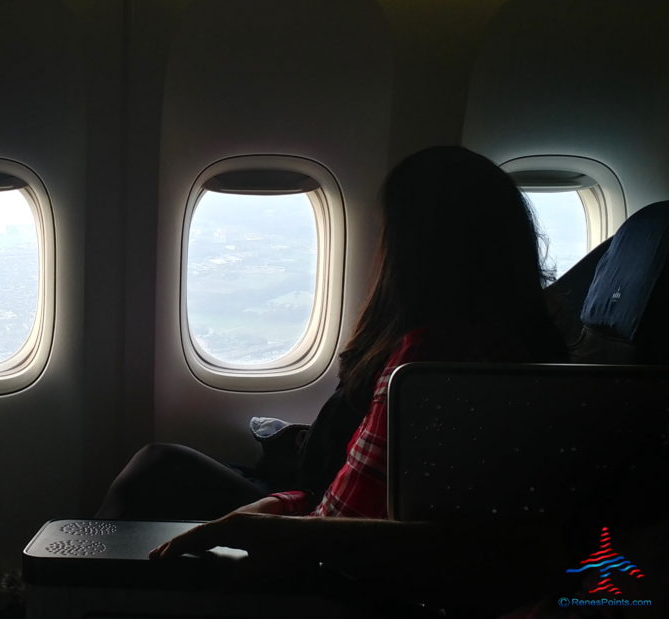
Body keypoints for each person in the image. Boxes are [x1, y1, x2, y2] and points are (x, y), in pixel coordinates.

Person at [96, 145, 565, 524]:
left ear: (418, 247)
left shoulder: (431, 358)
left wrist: (272, 511)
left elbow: (340, 523)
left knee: (156, 470)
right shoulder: (515, 333)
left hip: (319, 521)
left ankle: (64, 587)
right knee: (162, 469)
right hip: (314, 487)